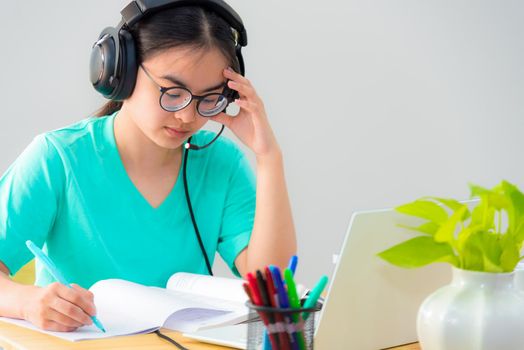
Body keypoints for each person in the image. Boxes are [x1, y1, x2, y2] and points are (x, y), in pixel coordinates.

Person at [0, 1, 296, 333]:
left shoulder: (220, 164)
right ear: (120, 72)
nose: (187, 116)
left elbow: (272, 287)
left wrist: (268, 157)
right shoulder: (58, 158)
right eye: (172, 92)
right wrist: (28, 302)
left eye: (208, 98)